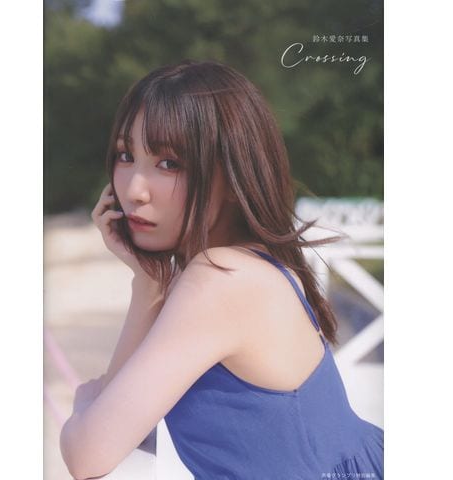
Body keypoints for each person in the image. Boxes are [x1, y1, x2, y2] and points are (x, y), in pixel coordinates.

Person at [60, 60, 384, 480]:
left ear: (232, 176)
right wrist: (147, 282)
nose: (134, 190)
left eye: (169, 163)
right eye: (126, 156)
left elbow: (86, 454)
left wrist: (84, 405)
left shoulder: (220, 280)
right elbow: (113, 427)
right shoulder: (247, 265)